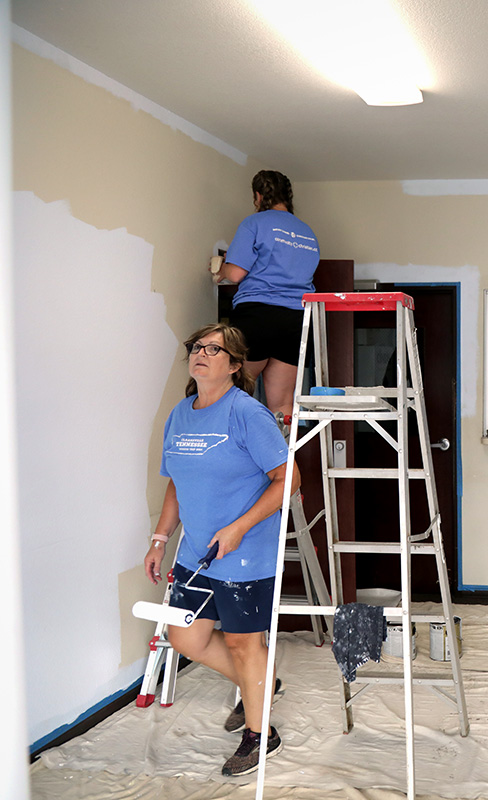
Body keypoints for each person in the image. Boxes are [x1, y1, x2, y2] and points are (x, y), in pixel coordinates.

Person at [143, 323, 294, 776]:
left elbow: (288, 479)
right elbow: (176, 481)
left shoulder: (247, 413)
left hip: (244, 554)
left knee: (243, 644)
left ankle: (260, 735)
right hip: (196, 554)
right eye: (197, 347)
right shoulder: (180, 414)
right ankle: (261, 683)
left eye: (214, 349)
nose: (201, 354)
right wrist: (160, 540)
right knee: (185, 637)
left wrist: (238, 527)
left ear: (234, 365)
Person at [214, 170, 320, 416]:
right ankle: (284, 444)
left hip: (257, 315)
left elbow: (236, 274)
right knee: (282, 407)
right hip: (296, 320)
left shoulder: (254, 223)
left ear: (258, 196)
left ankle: (229, 443)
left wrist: (222, 268)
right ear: (288, 196)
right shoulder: (307, 232)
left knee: (232, 396)